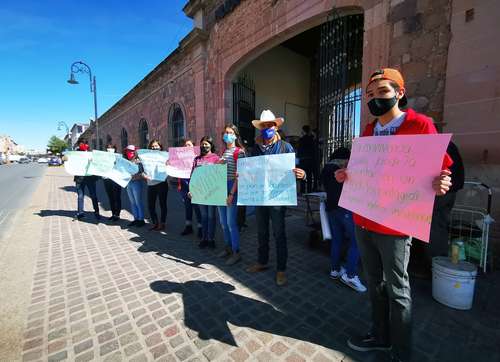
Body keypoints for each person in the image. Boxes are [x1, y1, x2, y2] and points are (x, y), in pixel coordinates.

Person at [335, 68, 453, 362]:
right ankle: (379, 335)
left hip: (396, 225)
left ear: (400, 93)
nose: (375, 99)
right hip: (364, 220)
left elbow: (443, 169)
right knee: (374, 283)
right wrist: (345, 174)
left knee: (398, 289)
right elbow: (361, 169)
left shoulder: (420, 125)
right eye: (371, 95)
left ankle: (401, 352)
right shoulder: (367, 130)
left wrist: (442, 181)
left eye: (383, 92)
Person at [245, 110, 306, 286]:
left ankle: (281, 269)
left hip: (278, 198)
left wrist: (303, 174)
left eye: (270, 125)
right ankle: (262, 262)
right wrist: (243, 176)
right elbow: (251, 172)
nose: (267, 128)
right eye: (263, 126)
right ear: (260, 129)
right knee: (261, 231)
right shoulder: (254, 149)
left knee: (279, 233)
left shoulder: (286, 147)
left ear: (276, 126)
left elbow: (297, 169)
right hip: (260, 197)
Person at [320, 147, 366, 293]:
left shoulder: (326, 168)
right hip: (344, 208)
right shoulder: (342, 170)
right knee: (356, 241)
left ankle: (335, 269)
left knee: (337, 240)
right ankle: (350, 274)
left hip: (331, 209)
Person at [216, 124, 246, 265]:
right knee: (223, 223)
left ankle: (236, 252)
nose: (227, 135)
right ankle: (228, 247)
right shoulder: (223, 152)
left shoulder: (239, 152)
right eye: (225, 133)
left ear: (235, 135)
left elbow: (240, 176)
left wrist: (231, 194)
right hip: (221, 187)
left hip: (231, 188)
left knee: (231, 223)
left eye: (230, 132)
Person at [189, 136, 220, 248]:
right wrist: (191, 190)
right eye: (202, 144)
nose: (204, 145)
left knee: (211, 216)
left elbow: (219, 175)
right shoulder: (197, 159)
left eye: (207, 143)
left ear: (211, 145)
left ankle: (211, 239)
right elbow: (192, 175)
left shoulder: (216, 158)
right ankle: (204, 238)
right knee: (204, 216)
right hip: (200, 192)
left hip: (212, 192)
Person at [177, 139, 202, 238]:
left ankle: (200, 227)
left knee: (197, 207)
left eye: (189, 145)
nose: (187, 147)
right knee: (187, 207)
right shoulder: (179, 158)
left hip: (195, 185)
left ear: (193, 146)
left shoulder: (197, 158)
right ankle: (189, 226)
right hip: (184, 185)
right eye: (185, 145)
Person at [145, 140, 169, 231]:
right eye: (152, 146)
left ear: (160, 146)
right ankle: (155, 223)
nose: (154, 148)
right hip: (150, 183)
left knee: (162, 204)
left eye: (156, 146)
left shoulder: (165, 156)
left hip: (162, 183)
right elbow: (143, 169)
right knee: (150, 205)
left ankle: (162, 223)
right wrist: (143, 174)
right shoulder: (146, 157)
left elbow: (170, 167)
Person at [74, 139, 100, 221]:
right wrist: (65, 158)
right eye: (81, 143)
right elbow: (70, 161)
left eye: (85, 143)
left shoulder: (91, 153)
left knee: (93, 195)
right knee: (80, 196)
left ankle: (96, 212)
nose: (83, 145)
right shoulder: (74, 154)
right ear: (78, 144)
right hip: (79, 178)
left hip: (90, 178)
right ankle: (80, 213)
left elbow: (96, 164)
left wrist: (93, 161)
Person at [124, 145, 146, 227]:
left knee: (138, 202)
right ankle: (135, 218)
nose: (130, 152)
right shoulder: (125, 161)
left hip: (136, 182)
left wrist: (135, 176)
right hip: (128, 183)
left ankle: (141, 219)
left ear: (135, 151)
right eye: (128, 150)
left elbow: (142, 173)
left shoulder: (138, 161)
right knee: (132, 202)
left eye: (132, 151)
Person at [103, 144, 122, 221]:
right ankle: (113, 214)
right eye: (108, 148)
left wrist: (115, 162)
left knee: (116, 197)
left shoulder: (118, 156)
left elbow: (121, 166)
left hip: (116, 179)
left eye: (111, 148)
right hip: (107, 179)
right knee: (110, 197)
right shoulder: (103, 157)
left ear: (114, 149)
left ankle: (117, 214)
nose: (109, 149)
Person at [298, 125, 315, 194]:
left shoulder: (301, 140)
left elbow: (300, 150)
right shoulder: (312, 139)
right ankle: (309, 191)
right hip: (310, 160)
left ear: (303, 131)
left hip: (303, 160)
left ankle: (302, 191)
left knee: (302, 176)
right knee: (309, 176)